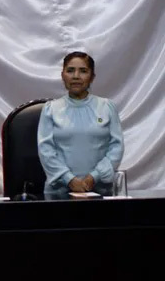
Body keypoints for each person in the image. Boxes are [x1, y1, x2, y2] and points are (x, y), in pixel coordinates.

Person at [37, 52, 124, 198]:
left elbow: (116, 147)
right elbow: (46, 150)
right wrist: (69, 179)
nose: (76, 76)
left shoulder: (107, 107)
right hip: (59, 193)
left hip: (100, 190)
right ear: (62, 75)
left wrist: (94, 176)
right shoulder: (50, 109)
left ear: (92, 77)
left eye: (83, 71)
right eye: (70, 70)